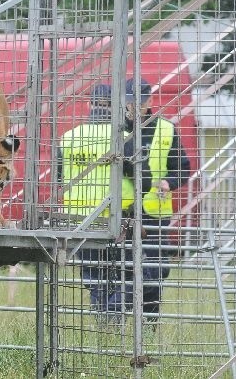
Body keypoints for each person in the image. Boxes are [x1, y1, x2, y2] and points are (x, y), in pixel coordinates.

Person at [57, 83, 152, 311]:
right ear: (116, 107)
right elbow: (144, 181)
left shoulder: (69, 138)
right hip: (117, 221)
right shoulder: (124, 137)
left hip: (79, 222)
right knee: (139, 273)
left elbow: (60, 180)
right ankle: (112, 314)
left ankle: (104, 326)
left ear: (89, 105)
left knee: (95, 280)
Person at [124, 77, 192, 318]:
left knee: (155, 270)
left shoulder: (165, 128)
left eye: (141, 102)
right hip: (123, 214)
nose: (137, 107)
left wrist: (168, 182)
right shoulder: (114, 130)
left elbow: (184, 167)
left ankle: (148, 323)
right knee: (123, 268)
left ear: (150, 100)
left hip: (155, 215)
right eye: (132, 102)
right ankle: (121, 319)